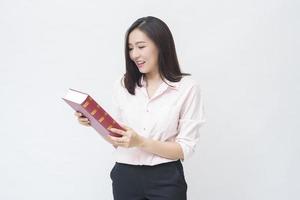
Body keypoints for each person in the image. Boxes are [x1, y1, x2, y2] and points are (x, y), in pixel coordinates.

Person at [74, 16, 206, 200]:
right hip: (125, 177)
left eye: (141, 46)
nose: (134, 54)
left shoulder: (187, 88)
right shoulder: (122, 85)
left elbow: (184, 149)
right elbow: (118, 139)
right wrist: (94, 122)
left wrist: (141, 142)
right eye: (130, 48)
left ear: (161, 45)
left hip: (165, 179)